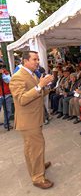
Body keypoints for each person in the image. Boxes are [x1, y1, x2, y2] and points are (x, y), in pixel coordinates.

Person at [9, 51, 55, 189]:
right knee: (35, 148)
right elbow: (22, 99)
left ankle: (38, 166)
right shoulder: (17, 77)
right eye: (34, 59)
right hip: (28, 120)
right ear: (25, 60)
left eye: (38, 59)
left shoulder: (31, 74)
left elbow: (37, 93)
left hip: (34, 118)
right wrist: (40, 85)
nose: (37, 62)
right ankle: (38, 178)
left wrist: (47, 86)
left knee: (32, 147)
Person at [0, 61, 13, 129]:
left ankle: (7, 123)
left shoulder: (6, 72)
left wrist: (3, 74)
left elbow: (9, 80)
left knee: (8, 110)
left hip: (7, 94)